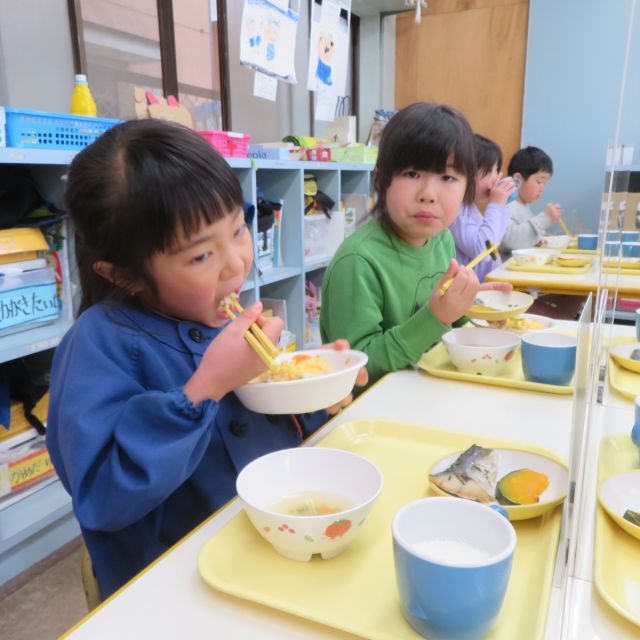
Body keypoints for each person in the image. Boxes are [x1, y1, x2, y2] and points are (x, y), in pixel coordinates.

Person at [46, 119, 366, 599]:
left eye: (238, 230)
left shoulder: (217, 312)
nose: (237, 263)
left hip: (272, 551)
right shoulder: (98, 346)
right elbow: (101, 498)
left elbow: (263, 430)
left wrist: (307, 387)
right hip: (179, 587)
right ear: (125, 275)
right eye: (200, 257)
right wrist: (205, 388)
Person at [320, 102, 511, 385]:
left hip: (429, 393)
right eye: (412, 174)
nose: (428, 194)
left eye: (447, 177)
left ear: (466, 190)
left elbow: (447, 327)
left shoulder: (442, 239)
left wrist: (473, 313)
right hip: (373, 414)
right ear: (381, 180)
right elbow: (357, 368)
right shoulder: (358, 261)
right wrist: (437, 316)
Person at [449, 134, 517, 281]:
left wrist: (499, 205)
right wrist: (496, 205)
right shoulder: (455, 211)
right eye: (491, 170)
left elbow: (494, 240)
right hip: (472, 294)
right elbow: (484, 251)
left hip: (486, 286)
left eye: (497, 169)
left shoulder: (469, 207)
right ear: (467, 172)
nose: (496, 177)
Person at [500, 146, 561, 253]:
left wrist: (539, 238)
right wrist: (545, 218)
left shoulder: (523, 206)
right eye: (539, 181)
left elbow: (524, 236)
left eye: (545, 183)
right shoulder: (506, 206)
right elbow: (511, 241)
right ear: (517, 180)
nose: (542, 189)